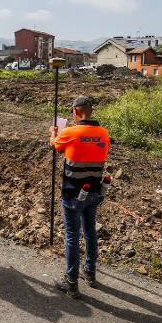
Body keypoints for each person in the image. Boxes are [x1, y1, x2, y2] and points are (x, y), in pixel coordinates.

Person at [49, 95, 110, 298]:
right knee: (90, 231)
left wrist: (52, 133)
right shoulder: (104, 134)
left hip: (73, 194)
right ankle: (90, 273)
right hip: (94, 191)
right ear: (90, 111)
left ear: (76, 111)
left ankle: (71, 282)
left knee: (73, 235)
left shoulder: (70, 132)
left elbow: (55, 146)